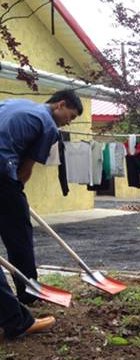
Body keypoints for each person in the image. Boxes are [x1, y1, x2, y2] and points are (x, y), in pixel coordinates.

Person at [0, 89, 83, 339]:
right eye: (71, 115)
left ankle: (23, 296)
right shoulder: (49, 125)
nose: (70, 121)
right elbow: (26, 169)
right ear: (60, 104)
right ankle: (21, 309)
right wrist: (15, 190)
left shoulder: (14, 102)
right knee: (19, 235)